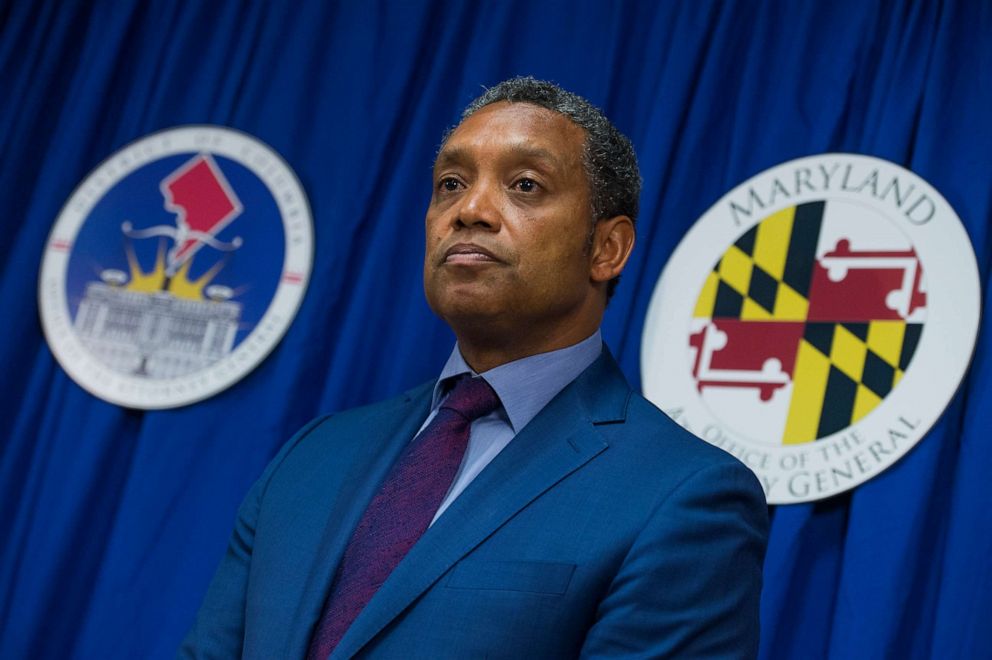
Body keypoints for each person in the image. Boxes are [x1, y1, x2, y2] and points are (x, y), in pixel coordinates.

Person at [180, 76, 768, 659]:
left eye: (526, 185)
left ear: (606, 248)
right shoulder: (311, 455)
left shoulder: (684, 495)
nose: (471, 210)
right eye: (451, 184)